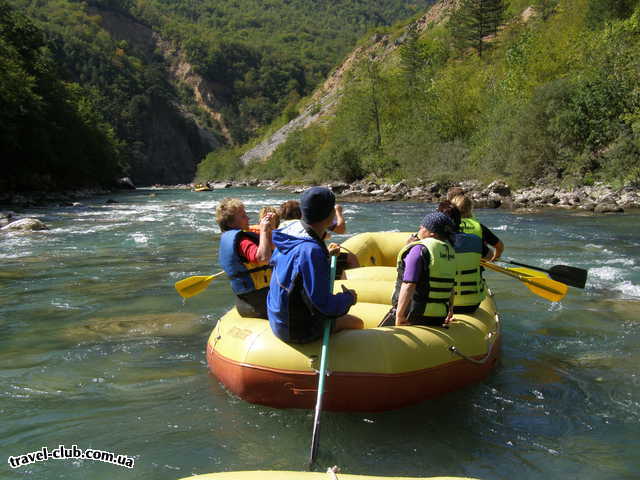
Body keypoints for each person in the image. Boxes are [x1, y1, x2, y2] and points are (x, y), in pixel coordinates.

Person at [267, 187, 363, 344]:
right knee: (357, 323)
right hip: (295, 330)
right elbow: (322, 304)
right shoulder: (311, 251)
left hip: (278, 318)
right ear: (330, 215)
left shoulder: (289, 232)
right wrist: (348, 298)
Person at [386, 212, 457, 327]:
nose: (420, 228)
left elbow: (409, 284)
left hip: (414, 316)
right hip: (438, 317)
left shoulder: (419, 249)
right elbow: (451, 287)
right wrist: (450, 310)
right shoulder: (449, 251)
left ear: (432, 233)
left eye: (423, 226)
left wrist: (399, 316)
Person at [216, 198, 276, 319]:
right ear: (231, 223)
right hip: (259, 303)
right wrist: (263, 229)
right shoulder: (242, 241)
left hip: (245, 301)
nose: (248, 218)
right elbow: (264, 258)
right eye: (243, 216)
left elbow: (272, 248)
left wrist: (269, 229)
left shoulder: (230, 237)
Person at [438, 201, 486, 314]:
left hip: (443, 304)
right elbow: (489, 256)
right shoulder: (476, 240)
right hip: (472, 304)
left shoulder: (434, 244)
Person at [451, 194, 505, 262]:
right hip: (473, 269)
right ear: (470, 209)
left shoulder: (445, 224)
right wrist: (494, 259)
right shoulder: (478, 226)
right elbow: (500, 247)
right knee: (486, 250)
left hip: (449, 269)